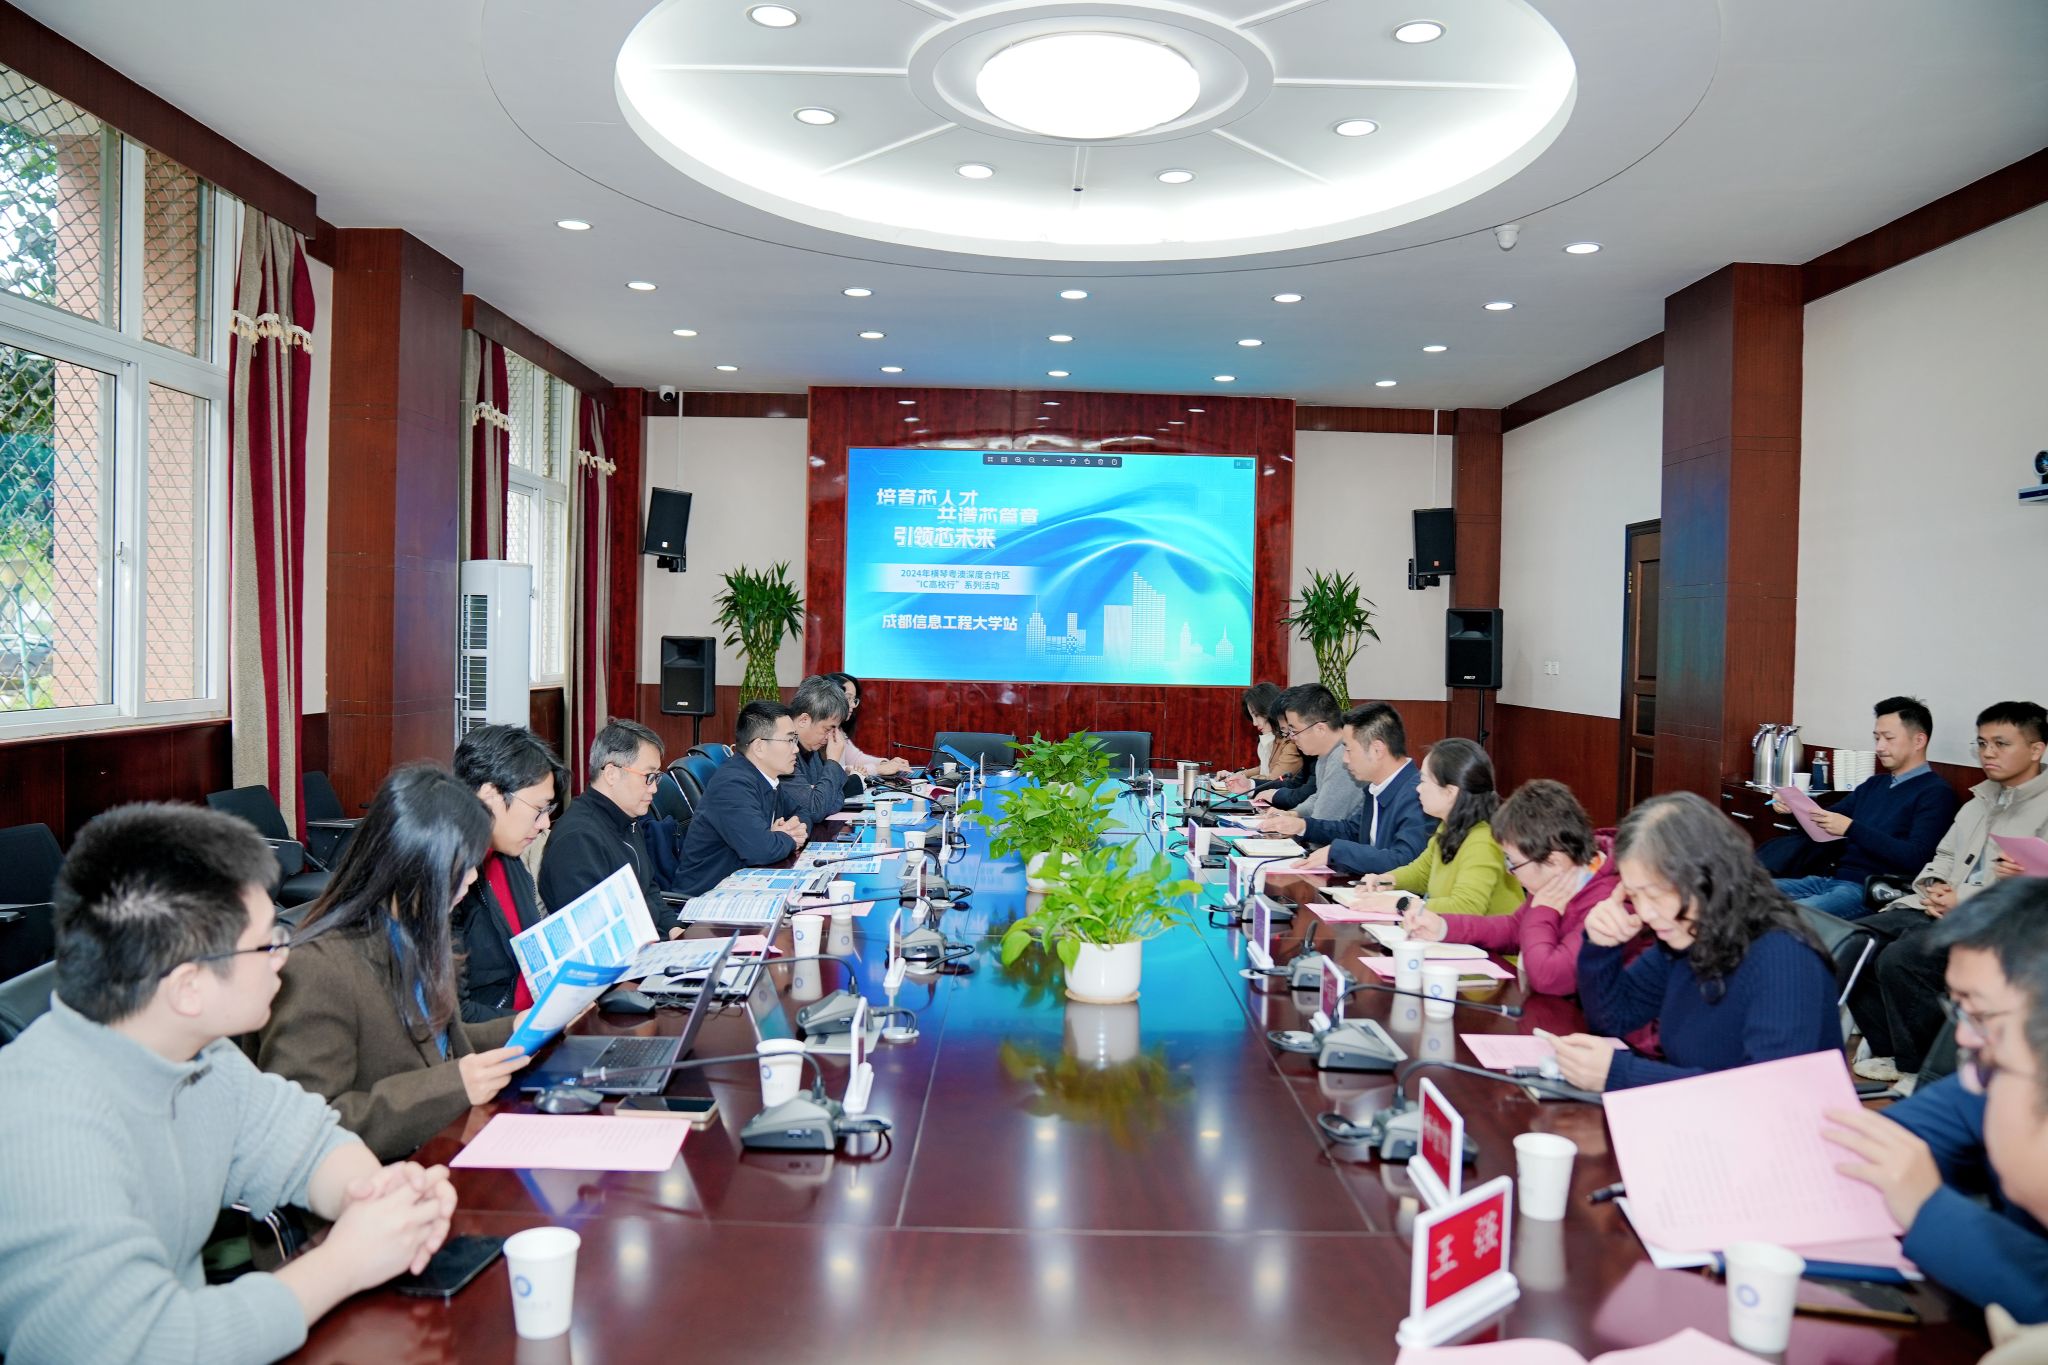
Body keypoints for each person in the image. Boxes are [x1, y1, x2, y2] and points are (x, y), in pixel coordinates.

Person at [0, 803, 459, 1363]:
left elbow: (309, 1143)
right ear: (188, 987)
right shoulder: (44, 1127)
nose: (283, 957)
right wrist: (346, 1262)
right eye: (266, 944)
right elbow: (144, 1347)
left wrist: (385, 1199)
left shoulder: (200, 1056)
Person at [258, 765, 530, 1161]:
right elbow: (308, 1125)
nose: (473, 877)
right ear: (418, 865)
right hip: (375, 1179)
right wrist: (452, 1086)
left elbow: (436, 1050)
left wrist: (518, 1028)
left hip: (437, 1146)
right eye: (464, 866)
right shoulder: (317, 968)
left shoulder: (416, 931)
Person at [1825, 876, 2048, 1325]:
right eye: (1957, 1006)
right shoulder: (1991, 1073)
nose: (1961, 1035)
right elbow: (1886, 1141)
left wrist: (1927, 1209)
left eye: (1979, 1012)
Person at [1549, 791, 1840, 1091]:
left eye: (1655, 894)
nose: (1645, 913)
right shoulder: (1688, 937)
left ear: (1708, 877)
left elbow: (1768, 1093)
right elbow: (1613, 1019)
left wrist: (1621, 1075)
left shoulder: (1783, 957)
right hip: (1694, 1116)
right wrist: (1601, 946)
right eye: (1634, 895)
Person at [1849, 700, 2048, 1083]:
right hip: (1942, 906)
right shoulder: (1981, 800)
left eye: (2001, 744)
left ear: (2036, 749)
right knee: (1855, 940)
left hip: (2003, 926)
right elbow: (1943, 856)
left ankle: (1925, 1069)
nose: (1988, 753)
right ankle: (1891, 1049)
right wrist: (1935, 886)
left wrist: (1964, 900)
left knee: (1902, 958)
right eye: (1982, 743)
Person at [1398, 778, 1623, 998]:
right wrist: (1443, 927)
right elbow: (1515, 928)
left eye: (1513, 863)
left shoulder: (1610, 900)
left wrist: (1543, 910)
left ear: (1553, 861)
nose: (1509, 872)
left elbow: (1548, 977)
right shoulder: (1564, 875)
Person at [1772, 696, 1960, 919]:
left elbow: (1917, 858)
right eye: (1877, 738)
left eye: (1889, 738)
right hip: (1832, 879)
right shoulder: (1875, 784)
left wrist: (1851, 828)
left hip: (1871, 890)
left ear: (1919, 741)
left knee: (1788, 918)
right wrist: (1794, 807)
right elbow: (1825, 822)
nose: (1880, 747)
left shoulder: (1936, 793)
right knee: (1745, 891)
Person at [451, 723, 568, 1021]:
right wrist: (540, 1021)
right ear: (490, 796)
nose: (545, 824)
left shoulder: (509, 859)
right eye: (539, 809)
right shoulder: (451, 883)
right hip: (498, 1037)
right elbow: (454, 1015)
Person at [538, 718, 678, 936]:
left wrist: (674, 929)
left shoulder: (627, 817)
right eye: (648, 777)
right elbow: (598, 935)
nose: (654, 789)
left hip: (651, 940)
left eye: (656, 777)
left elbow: (649, 889)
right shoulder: (578, 839)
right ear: (612, 773)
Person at [1353, 738, 1522, 919]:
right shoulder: (1449, 826)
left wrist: (1401, 904)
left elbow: (1466, 907)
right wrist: (1384, 880)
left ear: (1450, 792)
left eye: (1423, 781)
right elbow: (1421, 873)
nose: (1418, 789)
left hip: (1491, 937)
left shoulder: (1482, 841)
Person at [673, 701, 811, 895]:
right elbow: (762, 850)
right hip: (708, 897)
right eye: (789, 740)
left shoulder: (764, 777)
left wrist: (781, 835)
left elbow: (803, 812)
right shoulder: (732, 784)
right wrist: (785, 837)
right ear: (759, 746)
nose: (796, 749)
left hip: (743, 885)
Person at [1288, 702, 1433, 878]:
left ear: (1377, 750)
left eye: (1349, 750)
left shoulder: (1419, 794)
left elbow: (1404, 861)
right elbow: (1352, 831)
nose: (1345, 759)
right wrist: (1303, 826)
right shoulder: (1377, 786)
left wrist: (1338, 851)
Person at [1252, 683, 1363, 834]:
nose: (1291, 738)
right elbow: (1317, 799)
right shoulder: (1325, 755)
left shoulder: (1342, 759)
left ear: (1320, 729)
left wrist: (1296, 825)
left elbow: (1323, 821)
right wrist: (1292, 814)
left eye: (1294, 731)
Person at [778, 676, 853, 827]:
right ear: (804, 720)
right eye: (827, 729)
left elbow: (835, 797)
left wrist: (820, 796)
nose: (829, 737)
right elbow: (817, 810)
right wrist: (833, 761)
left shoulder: (811, 748)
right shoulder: (782, 752)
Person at [1218, 681, 1302, 789]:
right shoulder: (1274, 739)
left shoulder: (1291, 742)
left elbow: (1273, 780)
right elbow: (1264, 768)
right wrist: (1234, 775)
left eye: (1257, 715)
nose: (1254, 723)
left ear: (1269, 710)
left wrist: (1244, 781)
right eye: (1252, 717)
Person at [828, 672, 911, 779]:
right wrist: (878, 769)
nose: (853, 705)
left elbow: (855, 758)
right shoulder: (821, 731)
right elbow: (831, 773)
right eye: (848, 698)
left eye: (854, 700)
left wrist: (885, 763)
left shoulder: (838, 729)